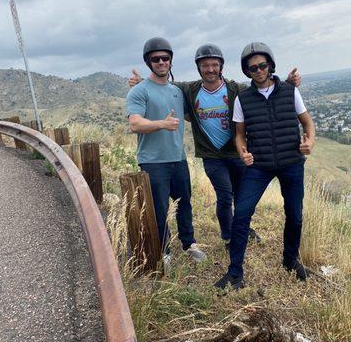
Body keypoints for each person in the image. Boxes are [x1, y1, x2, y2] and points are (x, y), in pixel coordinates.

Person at [129, 44, 300, 249]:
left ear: (221, 67)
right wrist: (141, 82)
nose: (210, 69)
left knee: (242, 195)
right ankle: (228, 236)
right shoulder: (190, 90)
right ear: (199, 68)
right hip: (212, 155)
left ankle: (244, 229)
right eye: (205, 65)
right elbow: (160, 84)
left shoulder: (235, 89)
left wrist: (287, 84)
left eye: (214, 65)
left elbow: (260, 87)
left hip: (236, 151)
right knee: (225, 195)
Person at [214, 42, 315, 290]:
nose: (258, 70)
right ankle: (235, 273)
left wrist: (310, 141)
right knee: (241, 215)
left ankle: (290, 261)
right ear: (247, 72)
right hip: (259, 166)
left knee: (295, 216)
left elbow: (307, 123)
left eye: (262, 65)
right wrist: (242, 151)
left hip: (291, 163)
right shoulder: (243, 99)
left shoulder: (290, 91)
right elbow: (239, 134)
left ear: (270, 65)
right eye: (252, 68)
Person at [126, 37, 207, 265]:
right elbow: (135, 124)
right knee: (159, 209)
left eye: (165, 58)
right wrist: (162, 124)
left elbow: (189, 117)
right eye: (156, 59)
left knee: (184, 203)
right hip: (153, 161)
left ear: (171, 61)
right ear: (148, 62)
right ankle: (164, 251)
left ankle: (189, 244)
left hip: (178, 158)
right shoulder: (139, 92)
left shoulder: (176, 91)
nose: (161, 62)